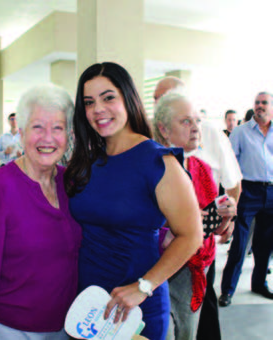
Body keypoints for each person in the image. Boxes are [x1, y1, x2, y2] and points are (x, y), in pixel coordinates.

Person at [65, 62, 203, 340]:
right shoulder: (87, 161)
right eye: (89, 102)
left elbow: (191, 235)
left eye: (108, 97)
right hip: (88, 305)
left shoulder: (158, 161)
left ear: (128, 98)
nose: (98, 109)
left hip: (137, 307)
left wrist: (143, 287)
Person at [0, 84, 82, 340]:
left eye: (57, 128)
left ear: (68, 134)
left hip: (68, 328)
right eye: (38, 127)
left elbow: (102, 229)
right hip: (13, 331)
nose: (48, 138)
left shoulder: (70, 182)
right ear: (22, 132)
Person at [153, 76, 242, 340]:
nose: (195, 128)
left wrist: (224, 217)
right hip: (158, 266)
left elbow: (216, 221)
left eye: (196, 121)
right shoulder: (150, 165)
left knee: (189, 330)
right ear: (163, 127)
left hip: (197, 265)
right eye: (186, 121)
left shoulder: (201, 166)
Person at [219, 92, 273, 307]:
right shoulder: (241, 132)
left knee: (265, 245)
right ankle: (227, 290)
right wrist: (229, 198)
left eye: (264, 103)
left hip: (271, 192)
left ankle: (259, 284)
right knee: (240, 244)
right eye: (257, 103)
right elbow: (230, 168)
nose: (259, 106)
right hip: (247, 191)